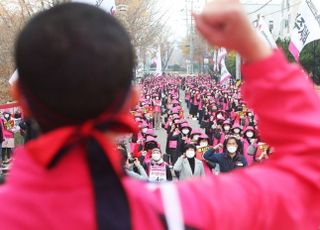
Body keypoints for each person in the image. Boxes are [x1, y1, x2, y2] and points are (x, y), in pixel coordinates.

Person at [0, 1, 319, 229]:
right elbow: (311, 172)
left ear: (19, 99)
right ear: (131, 101)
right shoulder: (174, 212)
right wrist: (253, 48)